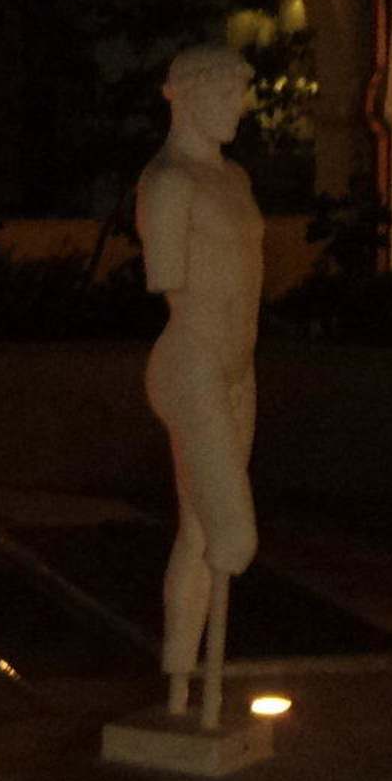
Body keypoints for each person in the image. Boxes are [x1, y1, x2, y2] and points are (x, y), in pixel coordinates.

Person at [136, 45, 261, 725]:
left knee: (197, 533)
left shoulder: (233, 178)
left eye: (240, 94)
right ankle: (187, 688)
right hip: (192, 367)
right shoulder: (167, 183)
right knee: (232, 538)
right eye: (226, 95)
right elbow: (169, 279)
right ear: (186, 96)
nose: (238, 108)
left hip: (237, 368)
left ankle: (183, 683)